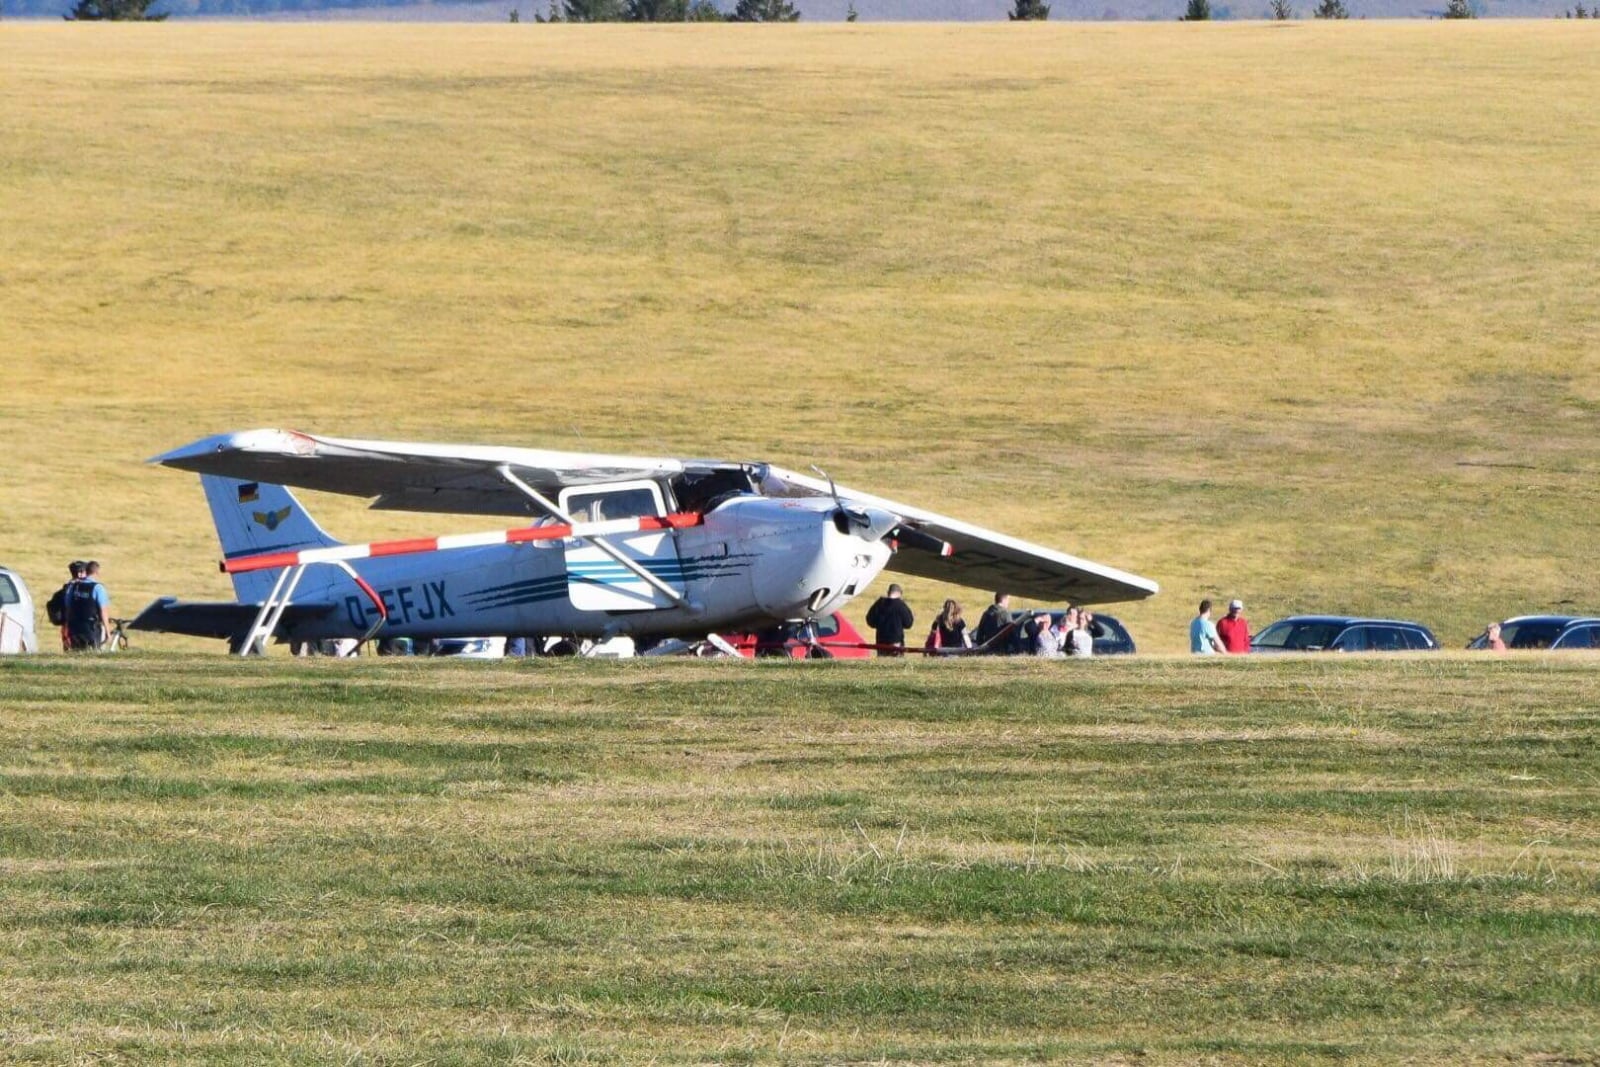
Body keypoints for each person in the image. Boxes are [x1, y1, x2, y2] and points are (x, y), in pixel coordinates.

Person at [64, 560, 110, 652]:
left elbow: (67, 606)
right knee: (94, 653)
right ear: (96, 572)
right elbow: (103, 611)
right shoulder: (98, 588)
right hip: (91, 628)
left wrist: (67, 626)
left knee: (76, 653)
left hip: (75, 627)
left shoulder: (73, 586)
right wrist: (108, 631)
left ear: (86, 571)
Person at [865, 583, 915, 657]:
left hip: (881, 641)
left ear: (888, 592)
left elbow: (870, 620)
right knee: (895, 665)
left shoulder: (879, 604)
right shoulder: (901, 606)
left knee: (882, 664)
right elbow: (908, 623)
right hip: (896, 642)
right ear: (899, 593)